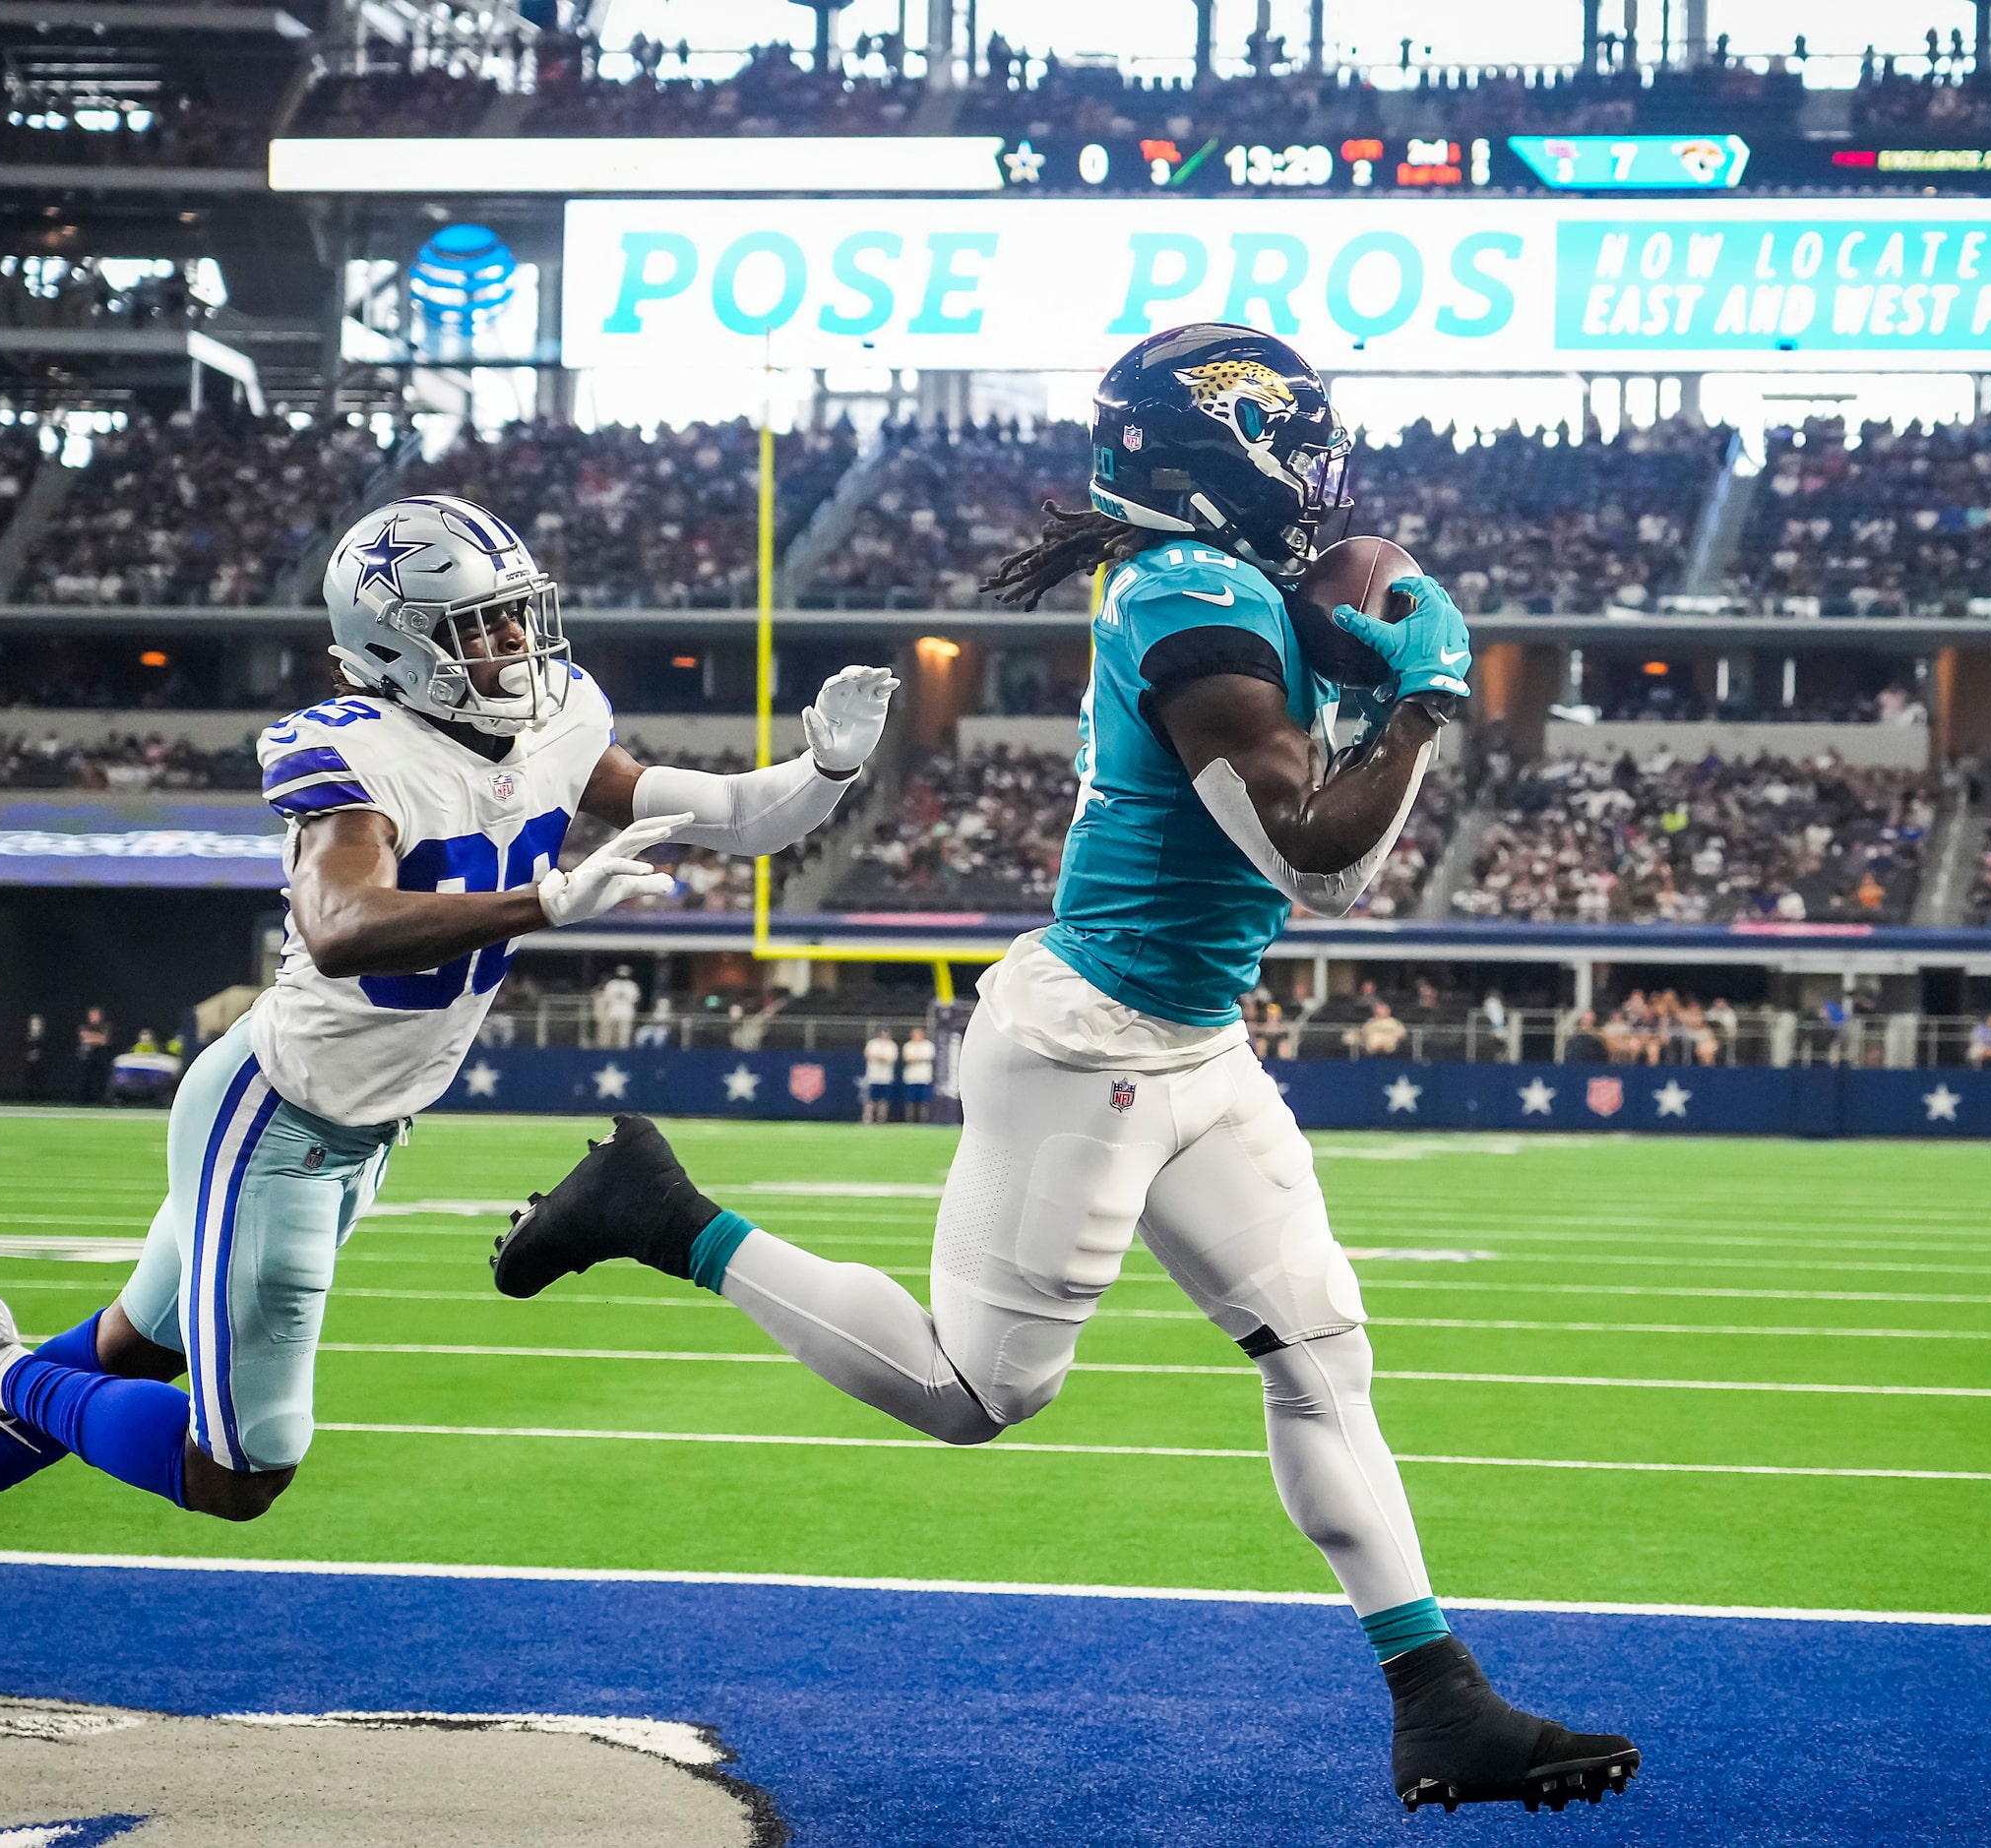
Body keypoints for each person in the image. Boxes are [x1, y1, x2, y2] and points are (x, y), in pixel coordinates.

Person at [492, 327, 1637, 1817]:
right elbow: (1324, 859)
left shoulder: (1235, 590)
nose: (1318, 475)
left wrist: (1375, 697)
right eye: (1292, 445)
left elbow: (1319, 836)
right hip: (1090, 1048)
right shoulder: (1188, 597)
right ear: (1212, 455)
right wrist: (1416, 701)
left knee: (1318, 1348)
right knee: (975, 1392)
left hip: (1198, 1040)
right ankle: (664, 1213)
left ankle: (1439, 1698)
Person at [0, 492, 897, 1664]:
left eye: (516, 618)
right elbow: (340, 922)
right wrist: (542, 901)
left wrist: (824, 769)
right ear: (393, 650)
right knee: (238, 1473)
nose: (514, 646)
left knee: (132, 1349)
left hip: (354, 1130)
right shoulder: (355, 752)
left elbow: (724, 813)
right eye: (478, 628)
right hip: (271, 1127)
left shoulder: (560, 721)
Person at [594, 964, 641, 1050]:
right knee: (610, 1038)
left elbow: (635, 1000)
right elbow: (606, 1000)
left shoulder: (632, 986)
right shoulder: (612, 984)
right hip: (612, 1014)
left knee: (623, 1037)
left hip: (626, 1014)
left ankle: (623, 1054)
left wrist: (634, 1013)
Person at [75, 1007, 113, 1105]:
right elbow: (84, 1039)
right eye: (92, 1015)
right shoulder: (83, 1027)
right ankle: (84, 1099)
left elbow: (104, 1041)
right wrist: (95, 1039)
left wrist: (92, 1039)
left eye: (96, 1015)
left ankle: (101, 1099)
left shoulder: (106, 1027)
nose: (94, 1018)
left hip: (101, 1055)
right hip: (87, 1056)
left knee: (101, 1075)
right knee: (85, 1075)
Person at [861, 1025, 898, 1124]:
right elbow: (868, 1055)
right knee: (870, 1100)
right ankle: (868, 1118)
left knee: (884, 1100)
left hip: (886, 1077)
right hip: (873, 1077)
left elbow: (890, 1059)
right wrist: (881, 1057)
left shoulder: (892, 1045)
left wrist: (878, 1057)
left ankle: (881, 1119)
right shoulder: (872, 1044)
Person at [899, 1024, 935, 1123]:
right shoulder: (908, 1046)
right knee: (910, 1101)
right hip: (911, 1078)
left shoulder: (928, 1045)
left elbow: (928, 1057)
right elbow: (908, 1058)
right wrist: (919, 1058)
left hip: (924, 1078)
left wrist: (916, 1058)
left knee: (924, 1101)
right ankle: (910, 1120)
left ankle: (923, 1120)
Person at [22, 1014, 48, 1102]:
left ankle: (40, 1098)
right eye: (33, 1024)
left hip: (40, 1063)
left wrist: (39, 1054)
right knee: (29, 1079)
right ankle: (29, 1097)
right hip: (29, 1063)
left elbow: (45, 1049)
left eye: (37, 1024)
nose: (35, 1026)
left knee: (39, 1080)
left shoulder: (43, 1037)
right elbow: (23, 1048)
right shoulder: (26, 1036)